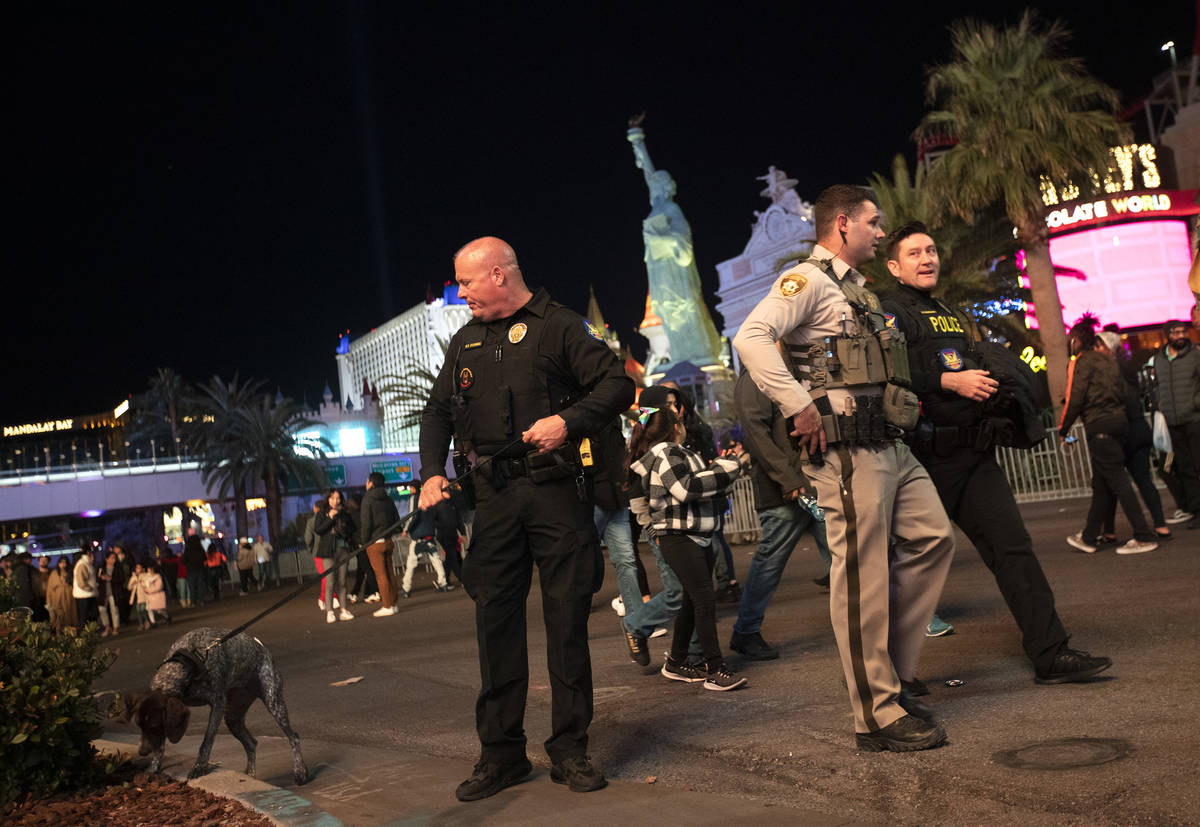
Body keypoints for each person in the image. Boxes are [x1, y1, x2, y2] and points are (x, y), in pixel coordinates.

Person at [733, 185, 954, 752]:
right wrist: (799, 405)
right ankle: (875, 714)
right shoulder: (806, 281)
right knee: (861, 576)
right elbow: (751, 338)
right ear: (842, 223)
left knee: (933, 538)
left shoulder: (858, 288)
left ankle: (893, 678)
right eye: (873, 223)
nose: (882, 233)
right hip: (848, 452)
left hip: (889, 444)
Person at [419, 236, 634, 800]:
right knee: (495, 626)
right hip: (493, 500)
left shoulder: (558, 325)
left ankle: (569, 749)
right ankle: (502, 755)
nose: (460, 292)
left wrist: (568, 421)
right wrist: (429, 473)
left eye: (465, 282)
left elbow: (617, 384)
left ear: (497, 274)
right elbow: (438, 410)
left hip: (556, 492)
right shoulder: (464, 342)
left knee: (566, 622)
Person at [880, 222, 1113, 684]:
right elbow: (885, 373)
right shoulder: (890, 311)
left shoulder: (946, 310)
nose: (927, 259)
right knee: (914, 564)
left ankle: (1051, 654)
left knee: (1014, 550)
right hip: (926, 458)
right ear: (894, 266)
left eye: (930, 250)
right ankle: (889, 680)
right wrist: (948, 380)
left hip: (974, 451)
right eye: (914, 254)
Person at [627, 405, 750, 690]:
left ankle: (678, 662)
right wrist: (727, 469)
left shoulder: (676, 452)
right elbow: (686, 489)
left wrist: (720, 472)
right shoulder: (666, 452)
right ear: (675, 427)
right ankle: (715, 669)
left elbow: (701, 486)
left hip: (694, 534)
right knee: (704, 600)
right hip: (680, 536)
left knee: (693, 601)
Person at [729, 369, 832, 661]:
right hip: (785, 489)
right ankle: (746, 631)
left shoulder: (787, 370)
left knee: (843, 552)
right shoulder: (756, 377)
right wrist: (788, 480)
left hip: (811, 481)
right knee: (770, 562)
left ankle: (871, 618)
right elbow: (757, 434)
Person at [594, 411, 685, 668]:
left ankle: (642, 632)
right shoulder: (646, 457)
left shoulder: (616, 425)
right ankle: (636, 626)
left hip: (617, 503)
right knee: (581, 571)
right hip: (598, 504)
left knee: (628, 563)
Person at [1060, 318, 1158, 554]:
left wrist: (1064, 429)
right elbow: (1122, 392)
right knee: (1102, 486)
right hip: (1119, 424)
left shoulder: (1082, 362)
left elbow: (1076, 398)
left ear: (1075, 341)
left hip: (1099, 426)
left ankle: (1143, 535)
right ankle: (1089, 536)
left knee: (1119, 483)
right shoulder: (1108, 360)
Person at [1096, 331, 1172, 542]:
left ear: (1108, 348)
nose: (1096, 350)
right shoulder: (1127, 368)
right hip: (1139, 430)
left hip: (1124, 434)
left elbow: (1123, 403)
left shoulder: (1111, 372)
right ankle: (1160, 525)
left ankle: (1111, 531)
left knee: (1114, 484)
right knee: (1144, 481)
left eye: (1100, 346)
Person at [1146, 320, 1200, 528]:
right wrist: (1162, 403)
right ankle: (1195, 510)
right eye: (1176, 332)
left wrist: (1195, 404)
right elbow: (1157, 385)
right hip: (1172, 422)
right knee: (1185, 468)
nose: (1181, 336)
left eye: (1183, 332)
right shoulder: (1159, 360)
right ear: (1167, 335)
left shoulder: (1195, 355)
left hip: (1194, 419)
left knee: (1197, 466)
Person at [360, 471, 401, 616]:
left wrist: (363, 542)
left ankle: (386, 605)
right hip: (388, 540)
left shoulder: (368, 499)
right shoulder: (388, 499)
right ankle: (394, 603)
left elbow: (366, 523)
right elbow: (396, 519)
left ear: (371, 483)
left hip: (374, 541)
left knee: (381, 574)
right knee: (390, 572)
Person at [312, 488, 357, 624]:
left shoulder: (345, 513)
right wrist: (329, 518)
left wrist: (343, 528)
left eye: (337, 498)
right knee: (330, 582)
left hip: (343, 549)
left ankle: (344, 609)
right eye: (332, 498)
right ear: (328, 499)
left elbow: (352, 529)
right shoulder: (321, 514)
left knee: (343, 581)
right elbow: (318, 530)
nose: (335, 501)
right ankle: (330, 611)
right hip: (328, 551)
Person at [400, 503, 451, 597]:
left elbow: (413, 516)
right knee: (436, 560)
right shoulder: (429, 501)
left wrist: (406, 529)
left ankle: (406, 587)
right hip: (429, 535)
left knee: (411, 564)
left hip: (418, 538)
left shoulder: (414, 499)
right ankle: (443, 583)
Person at [46, 556, 75, 632]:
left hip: (68, 598)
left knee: (68, 616)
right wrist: (49, 602)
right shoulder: (54, 573)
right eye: (61, 562)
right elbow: (49, 589)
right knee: (58, 617)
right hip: (57, 599)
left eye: (65, 562)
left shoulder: (70, 573)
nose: (63, 564)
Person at [97, 551, 122, 637]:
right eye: (111, 558)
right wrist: (102, 578)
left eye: (114, 558)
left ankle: (115, 628)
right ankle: (107, 626)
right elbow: (97, 579)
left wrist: (111, 578)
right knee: (102, 609)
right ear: (106, 559)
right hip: (103, 593)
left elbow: (121, 579)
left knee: (114, 610)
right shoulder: (101, 568)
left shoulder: (117, 568)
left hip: (113, 592)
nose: (113, 560)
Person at [72, 549, 98, 629]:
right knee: (85, 616)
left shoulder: (86, 563)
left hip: (88, 594)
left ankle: (90, 632)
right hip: (84, 594)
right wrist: (89, 588)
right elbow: (81, 581)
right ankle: (85, 633)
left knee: (91, 615)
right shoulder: (82, 564)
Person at [181, 527, 206, 608]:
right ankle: (201, 600)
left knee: (192, 586)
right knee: (200, 585)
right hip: (200, 568)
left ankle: (193, 602)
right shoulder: (200, 548)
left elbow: (184, 560)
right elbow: (204, 557)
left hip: (190, 570)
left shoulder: (188, 549)